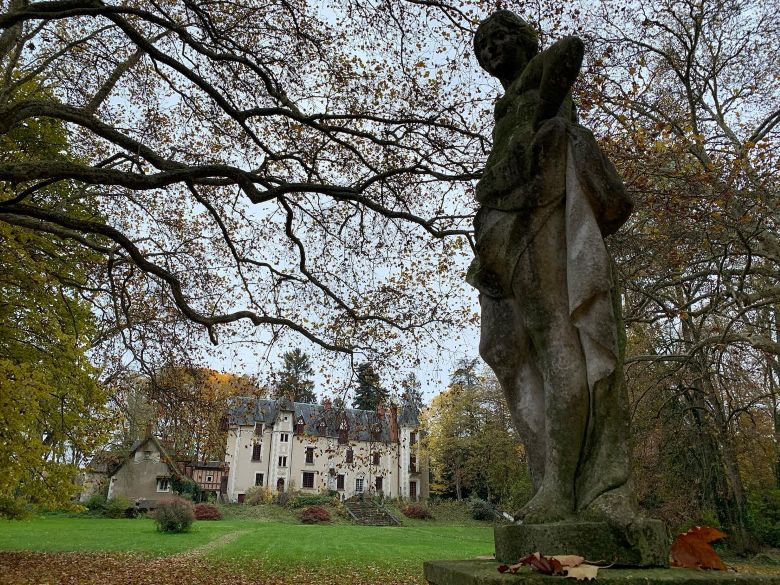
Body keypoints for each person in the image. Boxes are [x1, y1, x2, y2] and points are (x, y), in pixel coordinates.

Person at [467, 10, 635, 525]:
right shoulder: (502, 108)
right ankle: (547, 475)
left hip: (538, 214)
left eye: (499, 39)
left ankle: (563, 487)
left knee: (557, 339)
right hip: (499, 226)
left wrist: (538, 114)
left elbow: (570, 50)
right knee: (500, 348)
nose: (490, 51)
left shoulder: (536, 76)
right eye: (482, 46)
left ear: (522, 41)